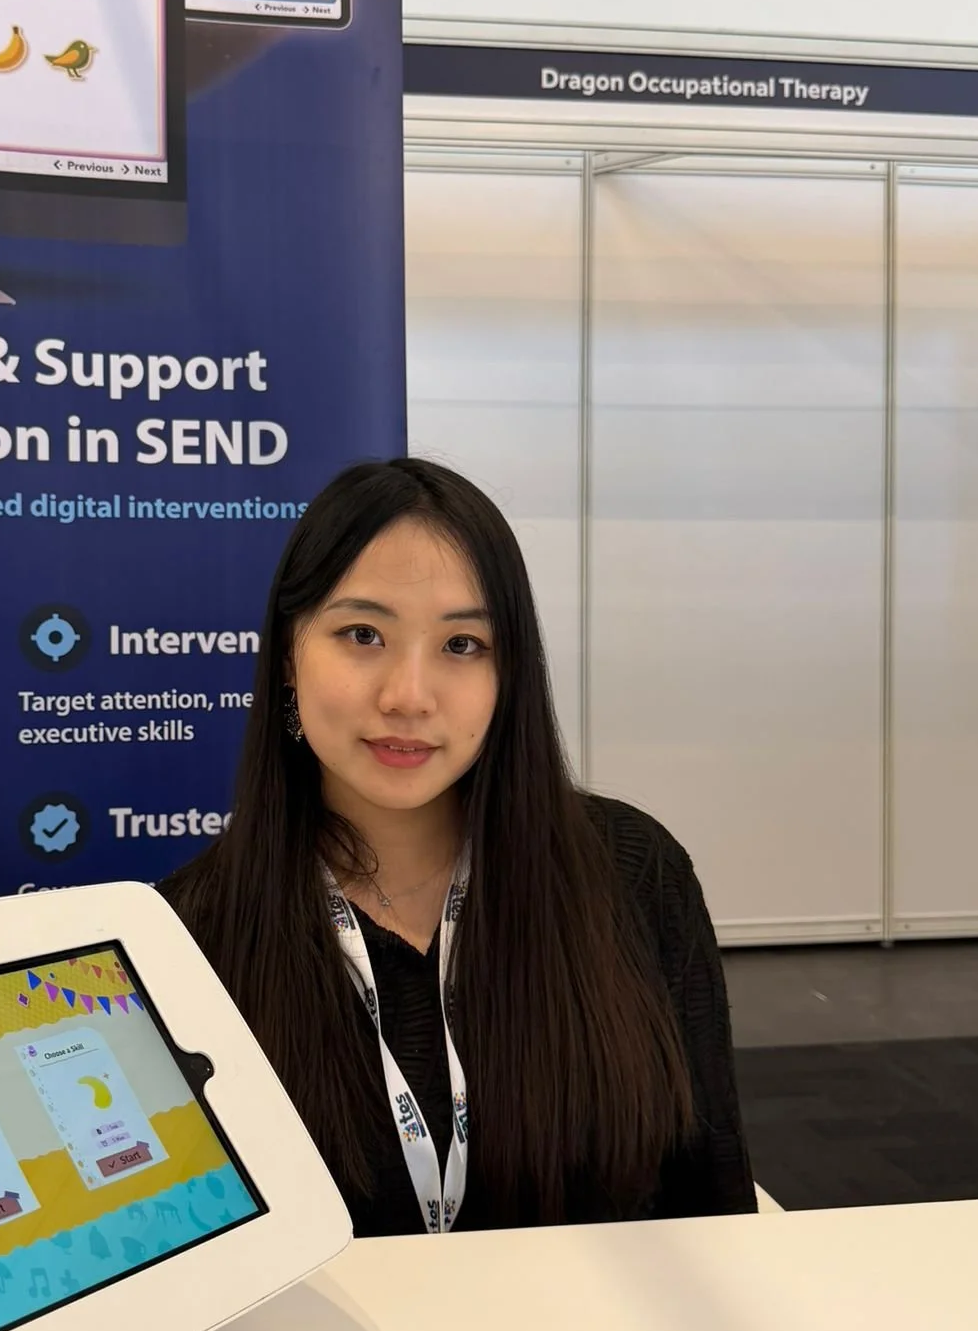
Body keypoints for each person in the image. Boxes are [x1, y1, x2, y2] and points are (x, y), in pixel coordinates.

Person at [160, 458, 755, 1236]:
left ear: (509, 673)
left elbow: (714, 1197)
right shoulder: (190, 937)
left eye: (463, 644)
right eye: (362, 634)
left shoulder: (633, 873)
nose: (409, 695)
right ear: (287, 657)